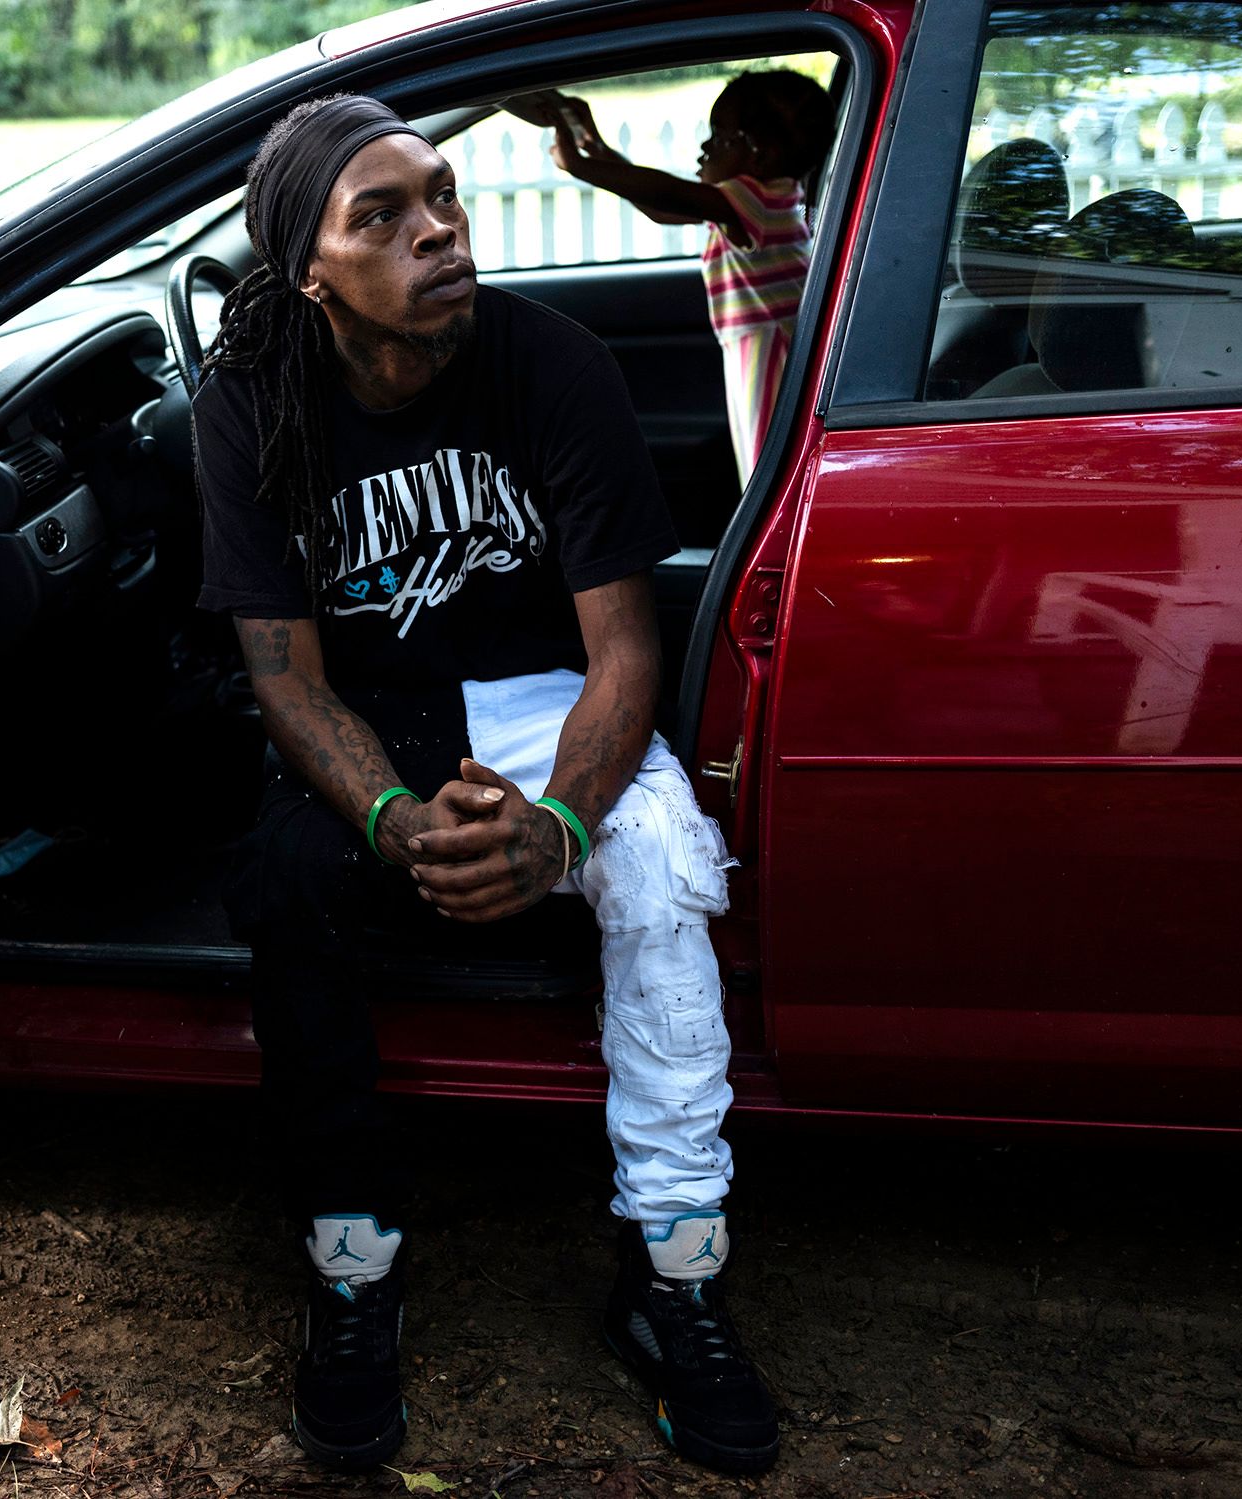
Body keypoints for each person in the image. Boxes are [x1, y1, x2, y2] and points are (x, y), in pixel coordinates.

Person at [192, 94, 779, 1479]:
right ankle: (353, 1263)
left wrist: (564, 819)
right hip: (374, 714)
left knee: (659, 860)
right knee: (290, 879)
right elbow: (284, 675)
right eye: (380, 216)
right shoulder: (250, 404)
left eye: (441, 195)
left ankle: (676, 1268)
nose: (437, 230)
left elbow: (626, 647)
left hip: (546, 701)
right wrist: (394, 820)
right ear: (311, 271)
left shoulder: (550, 363)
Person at [536, 72, 833, 484]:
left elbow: (671, 194)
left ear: (760, 155)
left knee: (770, 472)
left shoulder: (762, 199)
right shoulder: (762, 202)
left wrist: (583, 167)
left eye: (720, 136)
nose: (704, 148)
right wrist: (598, 148)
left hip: (771, 355)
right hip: (764, 347)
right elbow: (659, 206)